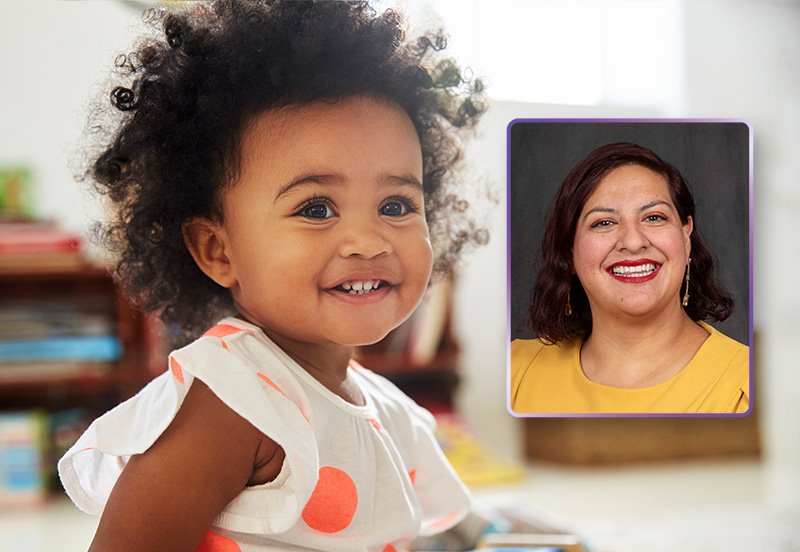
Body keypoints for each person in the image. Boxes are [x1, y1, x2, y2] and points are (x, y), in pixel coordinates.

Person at [57, 1, 486, 550]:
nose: (368, 240)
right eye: (316, 209)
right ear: (218, 250)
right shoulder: (231, 403)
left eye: (397, 205)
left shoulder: (385, 408)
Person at [511, 142, 749, 414]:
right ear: (569, 251)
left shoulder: (751, 385)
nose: (633, 242)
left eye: (654, 217)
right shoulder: (513, 373)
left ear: (686, 237)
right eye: (604, 222)